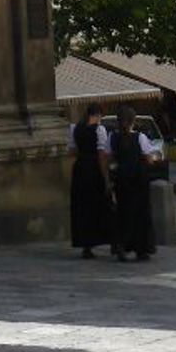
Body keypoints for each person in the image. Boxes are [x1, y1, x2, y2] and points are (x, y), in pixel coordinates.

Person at [109, 104, 157, 261]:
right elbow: (149, 159)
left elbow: (111, 158)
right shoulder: (140, 138)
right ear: (133, 121)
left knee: (123, 214)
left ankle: (121, 246)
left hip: (122, 180)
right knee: (140, 215)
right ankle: (141, 249)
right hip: (138, 180)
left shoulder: (113, 137)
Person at [68, 103, 112, 259]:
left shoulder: (75, 129)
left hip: (80, 169)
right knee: (97, 205)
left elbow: (72, 151)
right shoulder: (99, 130)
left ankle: (85, 244)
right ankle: (104, 238)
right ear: (98, 115)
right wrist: (106, 178)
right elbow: (102, 155)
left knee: (82, 207)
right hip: (93, 170)